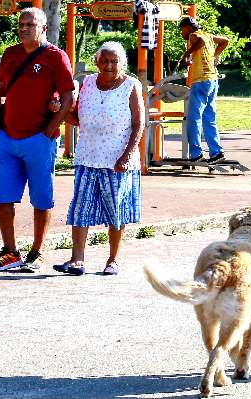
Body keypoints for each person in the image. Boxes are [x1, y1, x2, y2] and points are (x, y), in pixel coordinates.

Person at [0, 7, 74, 272]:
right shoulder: (10, 54)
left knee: (41, 198)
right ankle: (10, 251)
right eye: (21, 24)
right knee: (1, 197)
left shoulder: (55, 57)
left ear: (43, 29)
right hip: (8, 140)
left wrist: (49, 132)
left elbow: (69, 96)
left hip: (39, 139)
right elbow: (0, 92)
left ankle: (37, 251)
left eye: (30, 25)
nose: (24, 28)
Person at [53, 41, 144, 276]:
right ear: (97, 62)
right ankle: (77, 260)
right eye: (104, 61)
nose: (109, 65)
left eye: (114, 61)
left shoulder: (131, 86)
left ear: (122, 63)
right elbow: (77, 118)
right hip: (87, 156)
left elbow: (138, 125)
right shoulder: (88, 83)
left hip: (117, 161)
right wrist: (59, 110)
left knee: (116, 211)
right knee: (80, 208)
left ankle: (113, 260)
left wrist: (127, 155)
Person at [179, 16, 229, 164]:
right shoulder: (208, 35)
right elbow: (225, 41)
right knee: (209, 117)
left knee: (193, 118)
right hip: (212, 80)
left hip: (200, 81)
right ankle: (216, 152)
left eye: (182, 29)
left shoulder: (194, 36)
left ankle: (195, 154)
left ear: (188, 27)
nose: (182, 32)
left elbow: (199, 42)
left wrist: (186, 53)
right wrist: (215, 55)